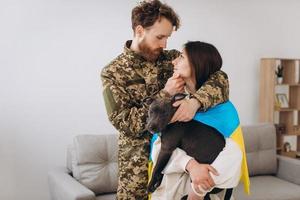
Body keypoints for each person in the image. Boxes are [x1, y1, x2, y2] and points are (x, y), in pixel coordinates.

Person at [101, 1, 232, 199]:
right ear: (139, 30)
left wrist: (194, 102)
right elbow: (126, 123)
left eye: (168, 37)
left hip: (178, 162)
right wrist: (165, 94)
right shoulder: (112, 73)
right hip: (137, 171)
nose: (164, 44)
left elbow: (219, 76)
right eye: (160, 37)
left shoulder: (172, 59)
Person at [149, 41, 248, 200]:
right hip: (170, 190)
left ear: (197, 64)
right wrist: (191, 165)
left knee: (234, 153)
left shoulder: (225, 109)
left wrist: (199, 188)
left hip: (208, 192)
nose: (174, 61)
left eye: (181, 57)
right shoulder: (173, 104)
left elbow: (234, 156)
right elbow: (158, 150)